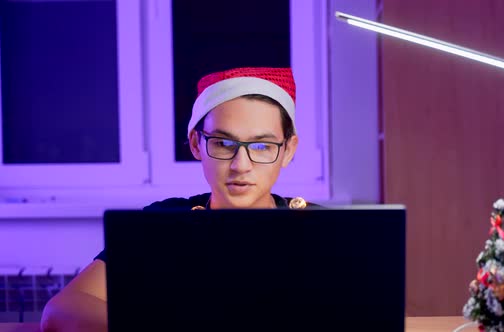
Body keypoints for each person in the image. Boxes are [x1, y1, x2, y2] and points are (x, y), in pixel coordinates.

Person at [40, 66, 319, 332]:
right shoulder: (161, 224)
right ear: (197, 143)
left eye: (261, 146)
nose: (240, 165)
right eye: (223, 143)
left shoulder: (321, 228)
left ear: (288, 150)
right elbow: (60, 311)